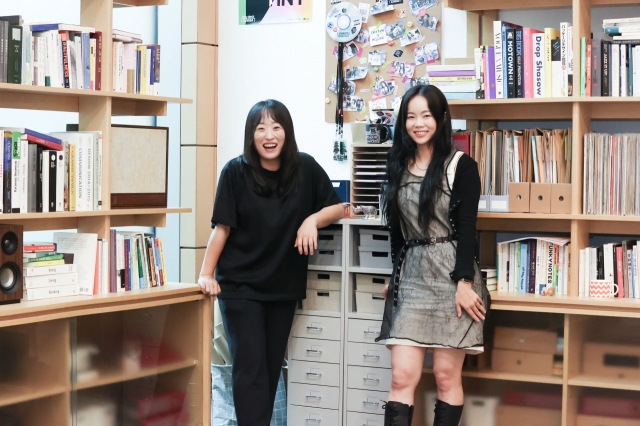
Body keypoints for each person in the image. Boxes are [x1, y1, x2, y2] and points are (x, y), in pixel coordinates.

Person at [198, 99, 344, 426]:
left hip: (282, 287)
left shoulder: (304, 169)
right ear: (251, 135)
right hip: (240, 287)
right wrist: (206, 273)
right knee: (250, 370)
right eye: (260, 127)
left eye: (276, 127)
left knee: (270, 370)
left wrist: (312, 221)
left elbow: (339, 208)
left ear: (287, 133)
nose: (269, 135)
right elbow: (221, 229)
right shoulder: (235, 172)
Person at [377, 85, 488, 426]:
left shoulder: (461, 166)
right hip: (412, 280)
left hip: (454, 280)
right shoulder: (396, 165)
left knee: (444, 376)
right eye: (411, 116)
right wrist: (393, 278)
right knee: (401, 378)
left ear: (441, 119)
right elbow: (397, 232)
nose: (418, 123)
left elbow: (467, 229)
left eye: (426, 115)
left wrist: (464, 282)